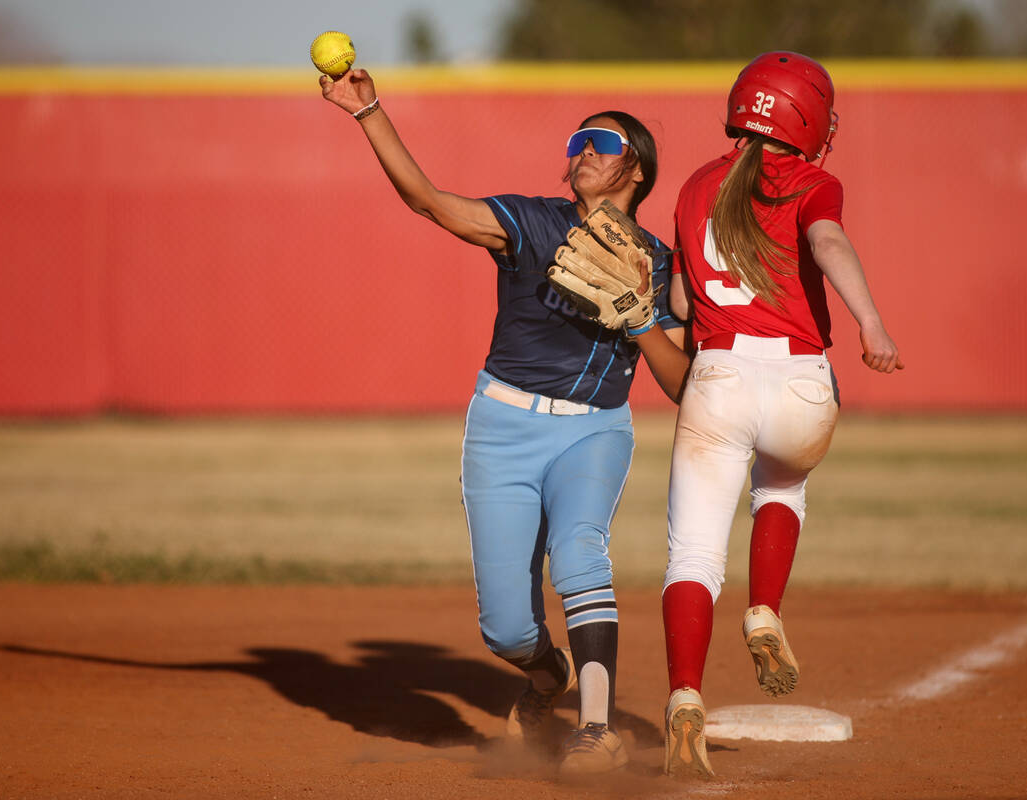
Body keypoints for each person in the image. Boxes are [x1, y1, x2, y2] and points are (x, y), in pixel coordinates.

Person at [319, 68, 683, 774]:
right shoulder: (533, 221)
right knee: (506, 628)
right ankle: (546, 673)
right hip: (502, 426)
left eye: (600, 141)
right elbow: (427, 201)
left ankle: (595, 730)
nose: (582, 150)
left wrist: (640, 314)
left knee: (581, 551)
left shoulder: (661, 265)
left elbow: (678, 381)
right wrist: (368, 111)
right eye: (577, 139)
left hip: (593, 431)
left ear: (635, 167)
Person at [622, 51, 905, 779]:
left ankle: (686, 698)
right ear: (806, 118)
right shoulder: (815, 181)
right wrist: (871, 323)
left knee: (691, 558)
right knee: (782, 486)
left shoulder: (694, 186)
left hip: (717, 377)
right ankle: (765, 612)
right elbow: (827, 240)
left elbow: (683, 308)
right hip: (801, 379)